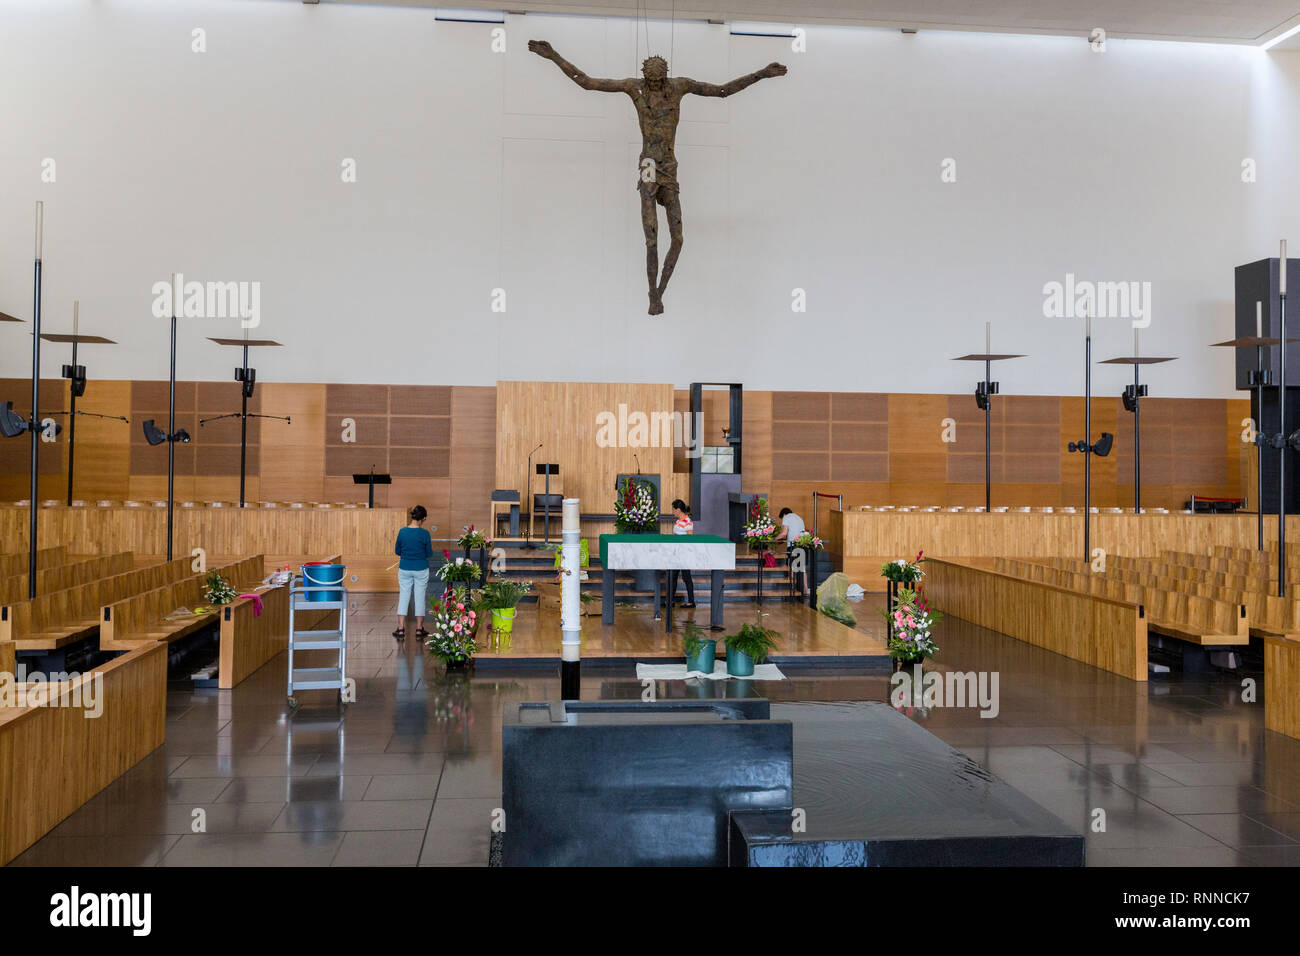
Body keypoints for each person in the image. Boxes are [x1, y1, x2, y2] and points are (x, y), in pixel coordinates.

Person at [527, 40, 786, 314]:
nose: (654, 87)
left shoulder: (679, 86)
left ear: (665, 77)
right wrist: (553, 55)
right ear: (644, 78)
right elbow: (587, 82)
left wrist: (762, 74)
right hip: (649, 165)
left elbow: (722, 91)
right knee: (652, 237)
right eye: (650, 82)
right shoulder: (634, 87)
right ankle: (652, 293)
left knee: (678, 239)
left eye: (659, 82)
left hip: (669, 166)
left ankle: (659, 291)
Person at [393, 505, 433, 640]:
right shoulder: (425, 534)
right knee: (420, 597)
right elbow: (429, 553)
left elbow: (397, 551)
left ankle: (400, 628)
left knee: (403, 596)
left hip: (405, 567)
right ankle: (419, 629)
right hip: (421, 568)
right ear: (423, 519)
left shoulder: (402, 532)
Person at [775, 507, 808, 598]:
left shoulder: (786, 517)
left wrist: (773, 540)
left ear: (783, 515)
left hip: (794, 546)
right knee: (802, 569)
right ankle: (805, 591)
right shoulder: (799, 518)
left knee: (792, 568)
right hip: (803, 545)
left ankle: (791, 589)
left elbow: (784, 533)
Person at [670, 498, 696, 608]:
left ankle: (691, 601)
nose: (673, 512)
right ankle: (670, 600)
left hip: (684, 554)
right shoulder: (678, 521)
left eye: (674, 509)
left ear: (679, 510)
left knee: (686, 577)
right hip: (676, 553)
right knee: (673, 576)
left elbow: (690, 538)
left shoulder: (688, 522)